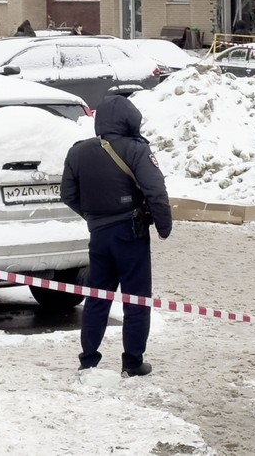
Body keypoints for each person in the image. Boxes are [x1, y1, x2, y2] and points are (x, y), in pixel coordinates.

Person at [61, 94, 172, 377]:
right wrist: (163, 226)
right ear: (130, 119)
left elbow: (68, 195)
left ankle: (88, 359)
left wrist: (94, 217)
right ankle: (132, 362)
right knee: (136, 299)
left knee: (97, 297)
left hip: (98, 235)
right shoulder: (136, 150)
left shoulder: (77, 152)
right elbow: (155, 190)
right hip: (130, 234)